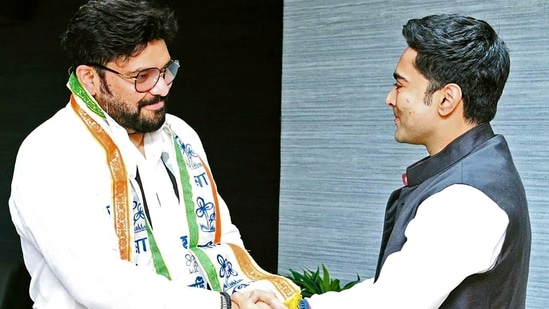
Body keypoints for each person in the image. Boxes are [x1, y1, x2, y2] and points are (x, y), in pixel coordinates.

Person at [8, 0, 300, 308]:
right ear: (89, 79)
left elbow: (221, 236)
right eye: (142, 77)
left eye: (165, 70)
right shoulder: (51, 153)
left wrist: (246, 293)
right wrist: (222, 305)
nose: (161, 87)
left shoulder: (180, 135)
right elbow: (101, 283)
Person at [244, 13, 532, 309]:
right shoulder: (480, 168)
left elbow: (393, 301)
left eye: (400, 85)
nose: (389, 99)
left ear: (446, 99)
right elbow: (401, 283)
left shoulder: (466, 196)